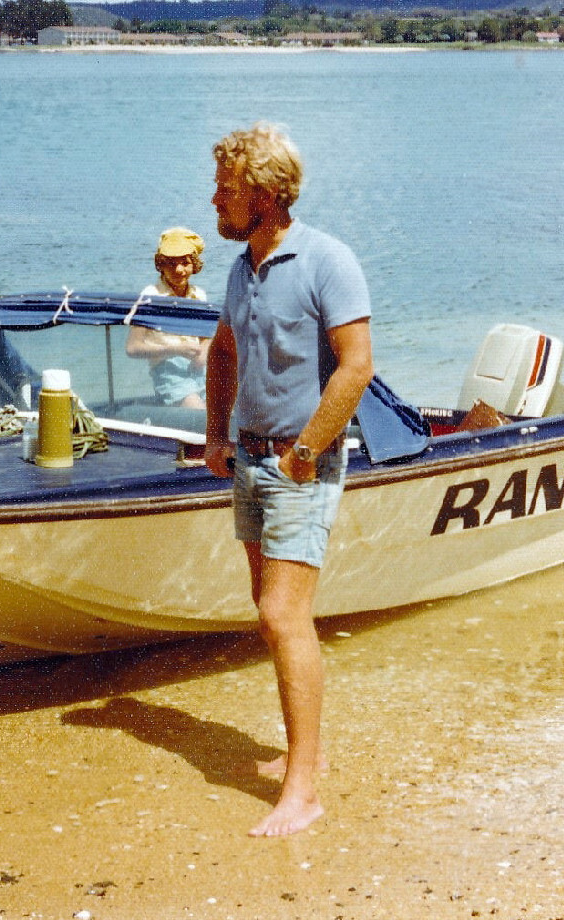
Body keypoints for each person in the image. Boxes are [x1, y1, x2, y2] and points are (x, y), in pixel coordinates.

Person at [203, 124, 375, 837]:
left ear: (266, 194)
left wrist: (306, 452)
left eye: (227, 188)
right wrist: (215, 434)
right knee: (270, 612)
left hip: (300, 463)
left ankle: (302, 790)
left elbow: (356, 366)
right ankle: (308, 751)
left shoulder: (328, 261)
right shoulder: (242, 268)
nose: (215, 199)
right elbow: (223, 350)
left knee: (282, 615)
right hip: (249, 459)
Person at [126, 226, 210, 409]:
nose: (179, 270)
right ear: (161, 265)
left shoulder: (199, 295)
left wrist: (203, 352)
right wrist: (176, 349)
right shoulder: (150, 296)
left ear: (194, 265)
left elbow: (206, 338)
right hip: (169, 373)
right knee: (202, 416)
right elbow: (133, 348)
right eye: (171, 264)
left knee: (233, 410)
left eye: (185, 263)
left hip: (200, 369)